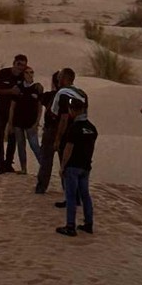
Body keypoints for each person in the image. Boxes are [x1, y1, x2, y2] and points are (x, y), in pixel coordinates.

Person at [56, 98, 97, 237]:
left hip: (73, 166)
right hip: (86, 166)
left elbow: (68, 148)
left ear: (73, 110)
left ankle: (70, 226)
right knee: (85, 195)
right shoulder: (91, 128)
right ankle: (89, 223)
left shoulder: (74, 128)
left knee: (71, 196)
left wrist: (62, 166)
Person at [50, 69, 89, 210]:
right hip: (82, 134)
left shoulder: (62, 94)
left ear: (64, 79)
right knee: (78, 165)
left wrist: (58, 139)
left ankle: (70, 198)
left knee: (65, 166)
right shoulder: (82, 94)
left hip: (68, 135)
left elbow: (64, 118)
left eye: (59, 77)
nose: (57, 80)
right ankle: (77, 197)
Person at [0, 54, 28, 174]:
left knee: (13, 137)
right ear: (14, 63)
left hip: (16, 112)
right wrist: (10, 91)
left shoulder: (24, 77)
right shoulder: (3, 73)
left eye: (23, 65)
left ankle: (8, 163)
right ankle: (0, 163)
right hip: (1, 110)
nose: (21, 67)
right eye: (19, 64)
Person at [11, 65, 44, 174]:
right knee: (20, 146)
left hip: (31, 122)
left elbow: (40, 107)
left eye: (32, 72)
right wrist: (10, 122)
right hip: (18, 121)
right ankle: (24, 169)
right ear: (23, 74)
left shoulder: (37, 88)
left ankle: (44, 168)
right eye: (27, 72)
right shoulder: (19, 87)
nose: (30, 75)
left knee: (34, 145)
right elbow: (13, 105)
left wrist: (37, 122)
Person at [35, 70, 63, 194]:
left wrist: (37, 89)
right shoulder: (70, 96)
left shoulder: (49, 96)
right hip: (66, 132)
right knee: (65, 161)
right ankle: (69, 189)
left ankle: (41, 187)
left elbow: (39, 98)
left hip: (51, 131)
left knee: (46, 160)